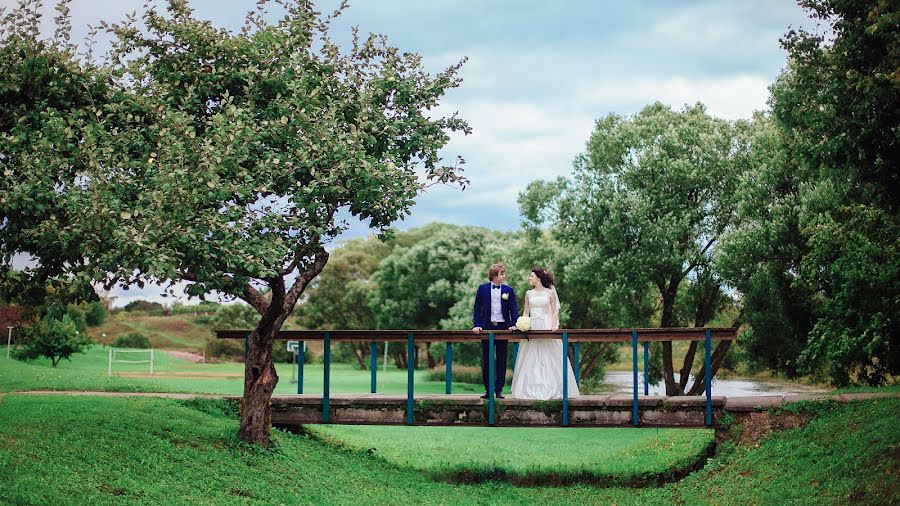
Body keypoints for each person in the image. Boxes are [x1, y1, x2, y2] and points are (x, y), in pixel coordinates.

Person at [510, 268, 579, 400]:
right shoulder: (528, 293)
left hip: (546, 325)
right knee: (531, 356)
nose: (529, 278)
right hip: (532, 326)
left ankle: (553, 387)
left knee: (550, 354)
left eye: (531, 276)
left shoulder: (550, 293)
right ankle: (530, 389)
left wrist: (554, 325)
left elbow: (554, 312)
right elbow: (526, 312)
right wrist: (522, 323)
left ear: (539, 278)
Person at [472, 262, 518, 399]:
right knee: (486, 360)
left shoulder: (508, 290)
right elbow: (477, 308)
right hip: (486, 328)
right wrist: (477, 325)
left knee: (502, 359)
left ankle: (499, 390)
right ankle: (488, 389)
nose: (504, 276)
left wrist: (513, 324)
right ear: (494, 276)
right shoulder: (482, 289)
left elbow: (513, 309)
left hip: (503, 328)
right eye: (502, 274)